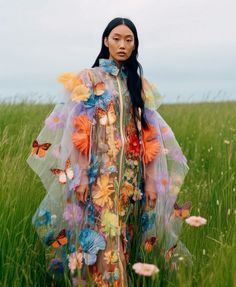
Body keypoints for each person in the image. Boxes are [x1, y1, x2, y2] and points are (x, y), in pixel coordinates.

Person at [27, 17, 192, 287]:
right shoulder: (90, 78)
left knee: (124, 234)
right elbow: (79, 129)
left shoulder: (138, 84)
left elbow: (148, 134)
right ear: (105, 41)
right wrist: (78, 176)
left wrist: (151, 181)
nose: (122, 45)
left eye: (129, 39)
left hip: (130, 179)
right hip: (97, 177)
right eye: (116, 38)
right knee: (103, 234)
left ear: (135, 44)